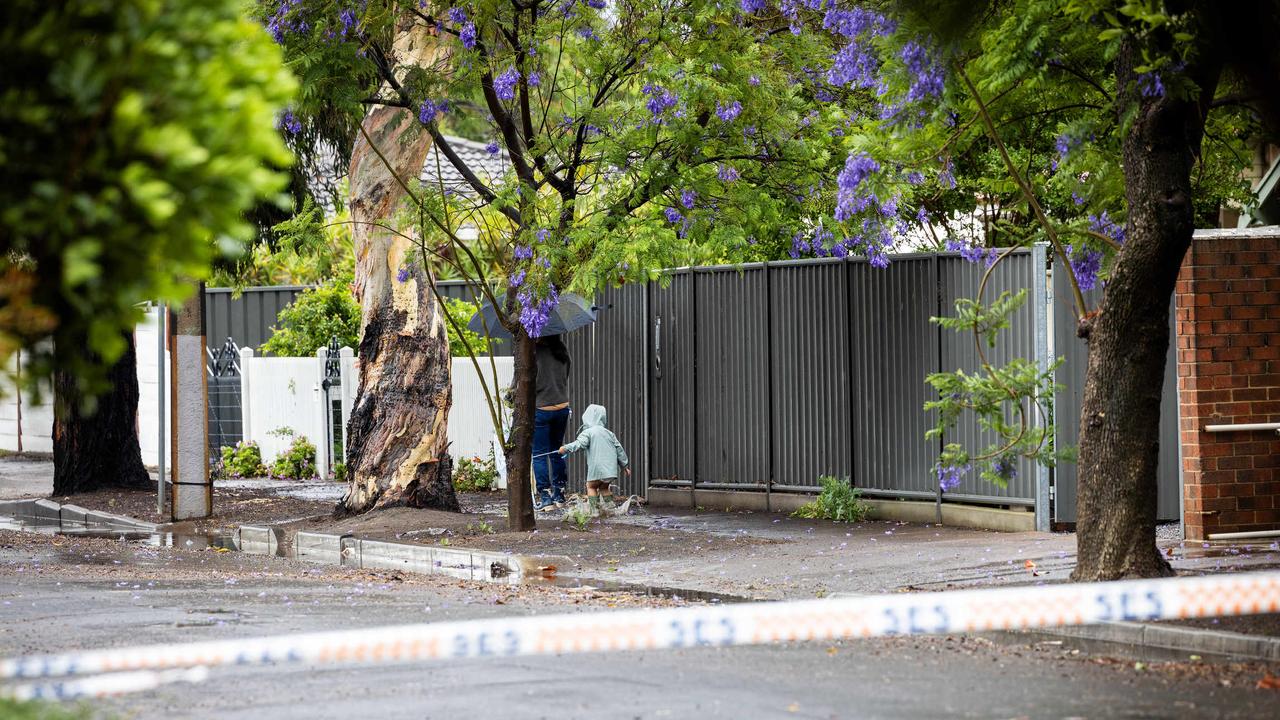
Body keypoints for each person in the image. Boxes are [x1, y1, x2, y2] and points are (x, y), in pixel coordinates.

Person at [558, 403, 630, 515]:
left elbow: (579, 444)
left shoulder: (588, 432)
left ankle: (594, 511)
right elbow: (619, 449)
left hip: (597, 468)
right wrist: (625, 466)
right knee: (604, 488)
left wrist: (565, 448)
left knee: (591, 486)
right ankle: (611, 510)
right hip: (610, 470)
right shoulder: (609, 433)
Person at [533, 334, 572, 510]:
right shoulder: (562, 350)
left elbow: (525, 382)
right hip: (562, 407)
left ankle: (546, 497)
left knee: (539, 454)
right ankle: (560, 495)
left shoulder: (534, 352)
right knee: (557, 450)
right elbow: (566, 376)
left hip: (542, 409)